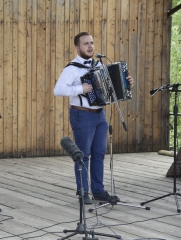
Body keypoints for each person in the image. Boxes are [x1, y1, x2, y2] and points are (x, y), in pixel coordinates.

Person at [54, 32, 134, 204]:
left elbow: (112, 86)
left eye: (91, 43)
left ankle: (98, 190)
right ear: (77, 47)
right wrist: (79, 89)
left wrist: (126, 83)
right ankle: (82, 191)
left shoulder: (99, 65)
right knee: (82, 155)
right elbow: (58, 89)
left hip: (100, 115)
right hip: (82, 115)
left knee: (99, 154)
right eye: (85, 44)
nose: (90, 46)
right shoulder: (72, 68)